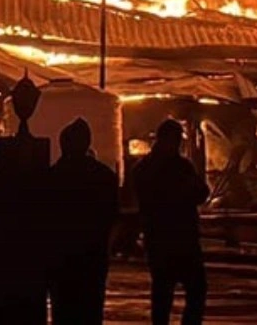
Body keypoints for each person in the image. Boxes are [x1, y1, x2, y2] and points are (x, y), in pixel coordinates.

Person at [132, 119, 210, 325]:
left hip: (163, 239)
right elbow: (200, 192)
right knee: (190, 289)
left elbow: (201, 192)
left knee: (165, 294)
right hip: (177, 239)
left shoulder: (146, 167)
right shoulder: (177, 167)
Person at [47, 118, 119, 325]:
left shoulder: (53, 177)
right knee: (91, 310)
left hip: (61, 258)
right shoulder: (104, 176)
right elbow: (112, 215)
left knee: (63, 311)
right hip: (92, 258)